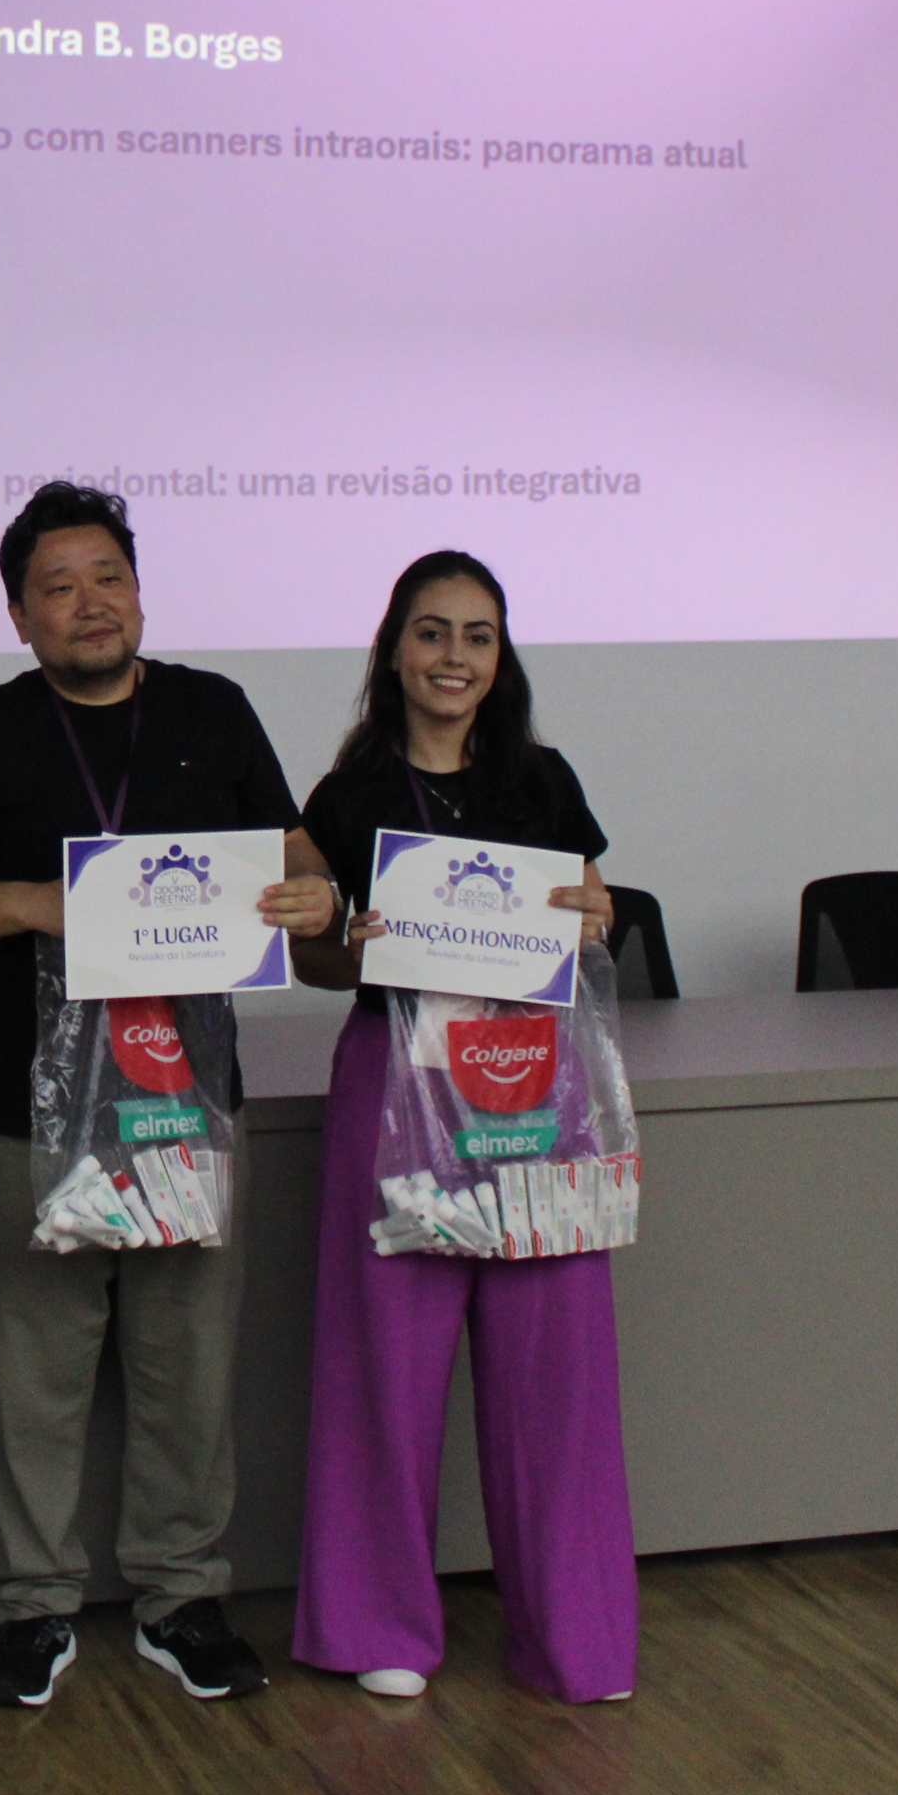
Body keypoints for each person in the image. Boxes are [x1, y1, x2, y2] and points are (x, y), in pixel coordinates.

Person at [0, 481, 335, 1707]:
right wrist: (44, 903)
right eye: (59, 586)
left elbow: (296, 861)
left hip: (185, 1100)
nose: (90, 603)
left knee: (187, 1364)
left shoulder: (214, 711)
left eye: (110, 577)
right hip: (27, 1107)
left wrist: (314, 895)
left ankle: (181, 1596)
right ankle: (34, 1608)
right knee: (38, 1374)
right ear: (19, 615)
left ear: (138, 591)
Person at [285, 551, 639, 1701]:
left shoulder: (544, 780)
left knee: (558, 1377)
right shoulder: (348, 794)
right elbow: (314, 958)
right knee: (383, 1367)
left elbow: (594, 912)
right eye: (432, 631)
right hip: (398, 1082)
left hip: (533, 1084)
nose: (454, 655)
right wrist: (347, 936)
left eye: (477, 635)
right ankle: (378, 1625)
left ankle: (576, 1638)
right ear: (395, 649)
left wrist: (597, 915)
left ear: (501, 655)